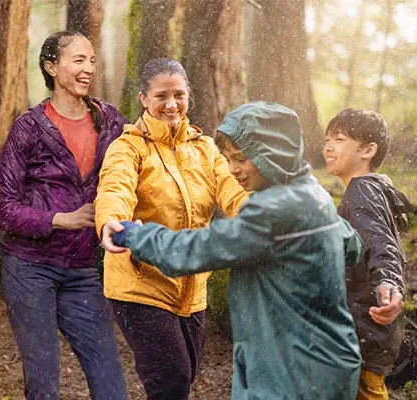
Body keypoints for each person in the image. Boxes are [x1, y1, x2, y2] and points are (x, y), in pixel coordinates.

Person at [106, 101, 363, 399]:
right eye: (228, 159)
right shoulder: (312, 193)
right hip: (330, 359)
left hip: (290, 371)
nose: (233, 170)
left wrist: (136, 235)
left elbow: (197, 250)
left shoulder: (275, 211)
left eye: (241, 158)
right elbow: (352, 247)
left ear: (274, 153)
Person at [95, 57, 248, 400]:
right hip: (140, 282)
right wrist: (110, 221)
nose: (171, 104)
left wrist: (263, 216)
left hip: (193, 286)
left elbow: (232, 190)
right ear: (144, 99)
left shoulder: (205, 148)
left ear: (188, 95)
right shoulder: (128, 147)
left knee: (185, 375)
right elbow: (114, 188)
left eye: (178, 94)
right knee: (172, 381)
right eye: (161, 95)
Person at [0, 30, 128, 400]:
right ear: (52, 67)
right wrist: (60, 219)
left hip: (82, 269)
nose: (89, 69)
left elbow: (140, 158)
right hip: (29, 267)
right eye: (78, 60)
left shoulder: (110, 121)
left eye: (92, 61)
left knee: (111, 381)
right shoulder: (29, 128)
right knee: (43, 382)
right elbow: (2, 209)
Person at [323, 108, 409, 400]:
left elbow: (381, 244)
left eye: (339, 139)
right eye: (327, 139)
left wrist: (389, 283)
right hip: (370, 331)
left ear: (368, 150)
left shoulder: (361, 192)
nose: (328, 146)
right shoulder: (376, 189)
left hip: (366, 328)